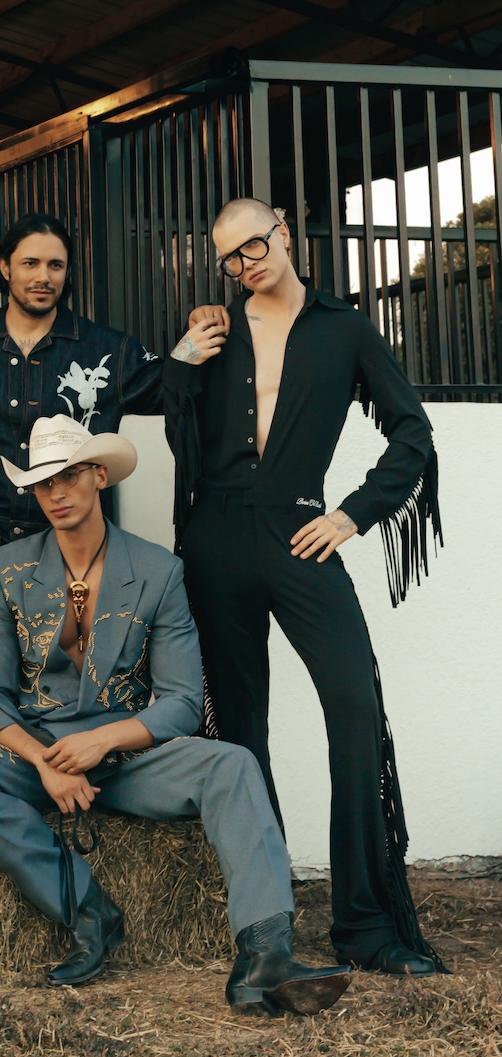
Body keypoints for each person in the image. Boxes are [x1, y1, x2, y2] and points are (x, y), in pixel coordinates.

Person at [0, 414, 352, 1017]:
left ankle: (265, 956)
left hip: (126, 757)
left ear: (99, 475)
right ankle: (88, 909)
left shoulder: (158, 571)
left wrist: (102, 742)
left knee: (231, 765)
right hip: (39, 752)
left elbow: (181, 700)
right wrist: (44, 762)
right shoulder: (8, 568)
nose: (57, 493)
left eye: (69, 476)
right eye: (43, 483)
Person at [163, 197, 445, 978]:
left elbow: (412, 431)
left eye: (254, 245)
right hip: (216, 537)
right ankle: (267, 920)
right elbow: (168, 417)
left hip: (298, 531)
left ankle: (365, 924)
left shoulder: (344, 328)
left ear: (284, 231)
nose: (245, 264)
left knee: (354, 702)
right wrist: (183, 357)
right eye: (229, 257)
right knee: (239, 729)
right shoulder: (215, 330)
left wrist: (352, 514)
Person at [0, 212, 165, 727]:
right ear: (5, 267)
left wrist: (202, 337)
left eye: (55, 265)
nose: (43, 276)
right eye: (30, 263)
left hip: (70, 532)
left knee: (90, 643)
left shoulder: (107, 350)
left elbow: (175, 387)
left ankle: (82, 743)